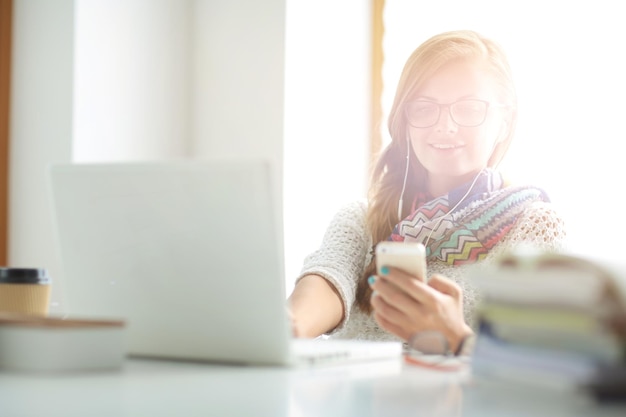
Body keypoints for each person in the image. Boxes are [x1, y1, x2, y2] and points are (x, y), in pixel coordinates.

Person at [287, 29, 566, 354]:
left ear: (505, 121)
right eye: (424, 107)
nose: (444, 126)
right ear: (405, 121)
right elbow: (328, 278)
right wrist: (289, 325)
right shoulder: (362, 219)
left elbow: (537, 361)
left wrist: (456, 337)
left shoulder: (534, 225)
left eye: (468, 108)